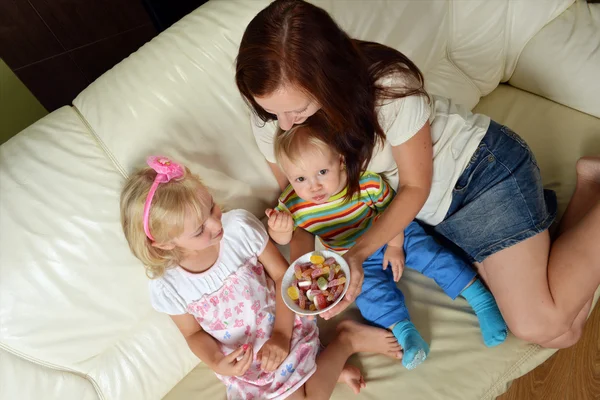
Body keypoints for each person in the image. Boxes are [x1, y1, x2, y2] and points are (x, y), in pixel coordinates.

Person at [235, 0, 600, 348]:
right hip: (433, 216)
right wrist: (318, 271)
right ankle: (590, 183)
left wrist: (357, 256)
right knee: (563, 334)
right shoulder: (272, 113)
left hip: (479, 176)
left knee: (543, 325)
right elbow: (306, 207)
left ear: (329, 79)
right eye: (272, 113)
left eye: (297, 110)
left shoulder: (387, 87)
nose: (283, 124)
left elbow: (415, 187)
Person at [120, 155, 404, 399]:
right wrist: (218, 362)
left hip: (283, 323)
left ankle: (346, 341)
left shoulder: (238, 229)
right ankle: (325, 369)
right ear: (166, 243)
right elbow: (193, 334)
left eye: (211, 208)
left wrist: (281, 335)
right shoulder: (168, 285)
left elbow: (284, 276)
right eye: (199, 230)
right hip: (246, 360)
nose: (215, 223)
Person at [265, 118, 507, 369]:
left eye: (322, 173)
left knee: (431, 255)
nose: (313, 186)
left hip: (390, 235)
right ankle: (407, 335)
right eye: (300, 179)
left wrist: (394, 246)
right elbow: (286, 237)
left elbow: (393, 212)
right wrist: (280, 229)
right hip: (350, 259)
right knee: (369, 296)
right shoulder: (293, 203)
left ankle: (480, 300)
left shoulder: (364, 183)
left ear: (340, 160)